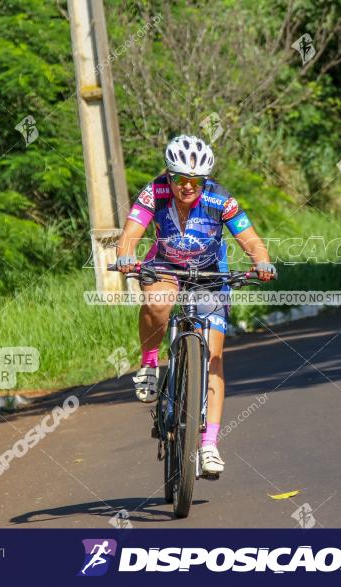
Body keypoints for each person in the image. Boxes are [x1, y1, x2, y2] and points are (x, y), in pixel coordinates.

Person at [115, 135, 276, 475]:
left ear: (206, 180)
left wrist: (261, 261)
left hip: (210, 274)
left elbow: (250, 239)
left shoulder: (220, 199)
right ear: (168, 176)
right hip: (166, 266)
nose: (188, 187)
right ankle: (148, 363)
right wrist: (126, 256)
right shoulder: (154, 192)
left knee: (214, 357)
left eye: (196, 181)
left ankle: (209, 446)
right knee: (158, 304)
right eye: (180, 179)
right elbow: (130, 233)